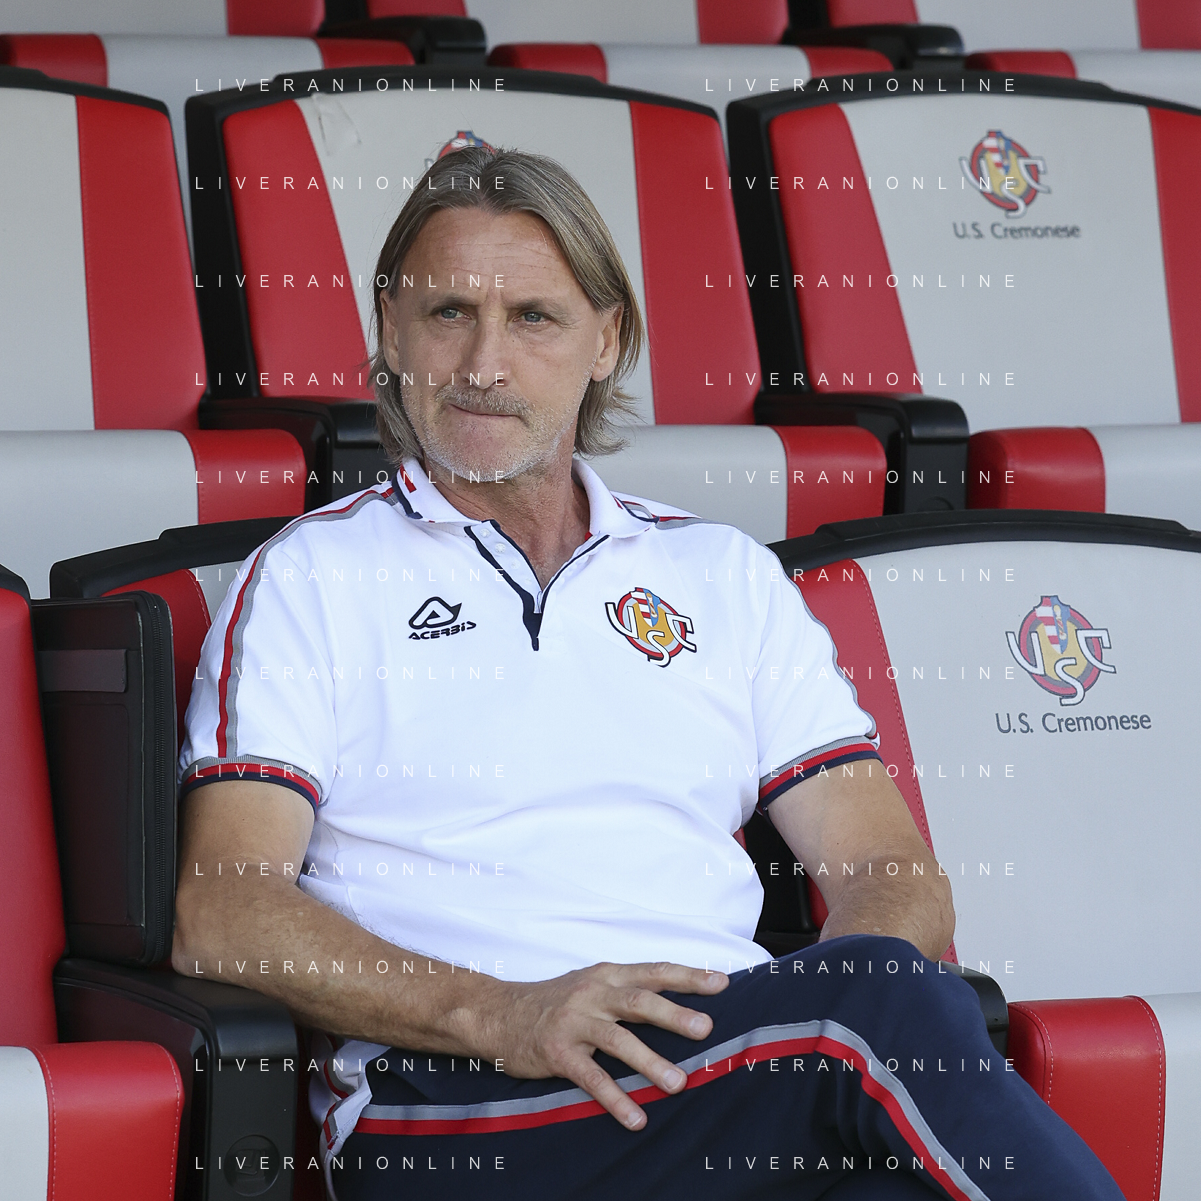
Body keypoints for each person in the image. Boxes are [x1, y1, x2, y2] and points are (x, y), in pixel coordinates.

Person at [173, 146, 1123, 1201]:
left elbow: (891, 872)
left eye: (533, 317)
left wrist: (808, 1029)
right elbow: (223, 912)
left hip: (717, 1070)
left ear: (607, 340)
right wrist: (504, 1012)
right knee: (883, 1012)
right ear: (391, 331)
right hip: (457, 1098)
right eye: (448, 313)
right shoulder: (311, 577)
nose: (484, 362)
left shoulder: (723, 574)